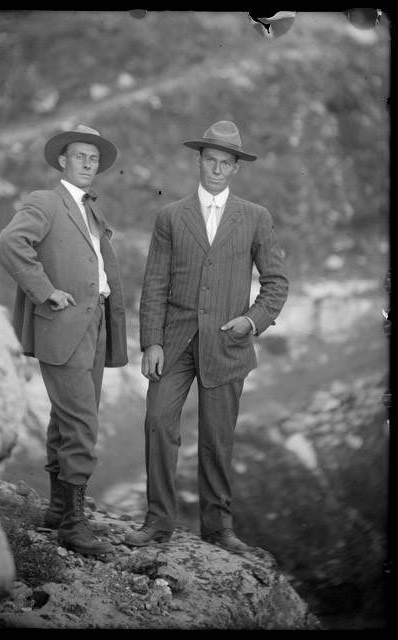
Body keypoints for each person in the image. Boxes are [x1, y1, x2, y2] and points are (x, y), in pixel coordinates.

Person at [125, 121, 289, 554]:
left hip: (228, 343)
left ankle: (217, 529)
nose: (216, 169)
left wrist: (252, 321)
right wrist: (151, 342)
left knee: (217, 438)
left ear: (235, 169)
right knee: (158, 422)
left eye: (225, 163)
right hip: (175, 341)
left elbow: (276, 282)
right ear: (199, 161)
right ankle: (158, 521)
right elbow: (155, 282)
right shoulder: (171, 216)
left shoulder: (255, 217)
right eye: (210, 160)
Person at [0, 124, 128, 557]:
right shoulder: (46, 201)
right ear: (62, 161)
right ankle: (74, 525)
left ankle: (57, 511)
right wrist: (45, 289)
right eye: (80, 157)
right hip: (63, 324)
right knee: (82, 422)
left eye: (93, 159)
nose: (88, 165)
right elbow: (12, 243)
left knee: (66, 418)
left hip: (94, 324)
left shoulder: (90, 209)